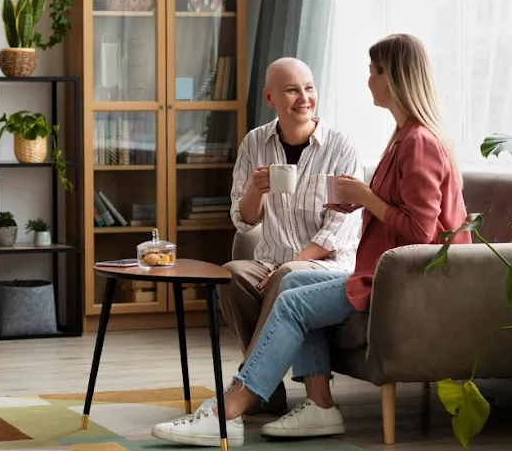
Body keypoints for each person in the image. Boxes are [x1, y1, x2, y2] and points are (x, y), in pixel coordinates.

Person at [151, 33, 472, 447]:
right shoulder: (403, 138)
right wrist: (357, 202)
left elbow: (420, 234)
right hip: (380, 274)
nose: (368, 80)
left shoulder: (418, 142)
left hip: (402, 281)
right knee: (292, 283)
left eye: (373, 71)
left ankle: (228, 410)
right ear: (271, 98)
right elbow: (398, 215)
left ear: (392, 78)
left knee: (292, 292)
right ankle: (319, 405)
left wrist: (365, 198)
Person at [213, 57, 364, 415]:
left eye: (309, 88)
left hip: (328, 266)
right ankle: (269, 389)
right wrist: (256, 190)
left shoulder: (340, 147)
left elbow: (339, 230)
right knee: (231, 275)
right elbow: (244, 220)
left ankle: (250, 384)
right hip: (271, 262)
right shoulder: (255, 142)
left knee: (290, 279)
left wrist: (292, 265)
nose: (304, 98)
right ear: (269, 98)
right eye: (292, 90)